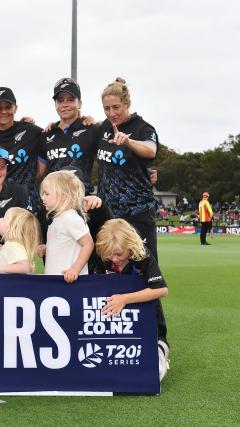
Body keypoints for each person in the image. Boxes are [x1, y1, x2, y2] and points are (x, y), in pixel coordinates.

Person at [94, 218, 170, 381]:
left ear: (130, 246)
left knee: (153, 368)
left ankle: (161, 352)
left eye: (119, 254)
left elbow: (162, 290)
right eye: (109, 254)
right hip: (117, 323)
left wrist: (124, 299)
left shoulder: (142, 255)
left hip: (149, 323)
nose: (114, 259)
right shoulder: (104, 257)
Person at [97, 77, 160, 261]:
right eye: (106, 108)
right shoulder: (104, 128)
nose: (111, 113)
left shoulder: (143, 128)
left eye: (116, 107)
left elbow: (150, 149)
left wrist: (128, 141)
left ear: (127, 103)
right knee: (111, 266)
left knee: (144, 266)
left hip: (137, 212)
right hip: (108, 213)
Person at [0, 87, 46, 215]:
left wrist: (83, 119)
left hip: (27, 205)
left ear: (15, 108)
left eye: (8, 107)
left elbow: (57, 135)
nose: (3, 111)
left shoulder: (31, 131)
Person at [41, 78, 100, 195]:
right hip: (54, 203)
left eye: (70, 100)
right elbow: (39, 173)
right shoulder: (46, 134)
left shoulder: (92, 129)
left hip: (83, 203)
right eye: (60, 100)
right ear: (55, 104)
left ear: (79, 103)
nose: (65, 105)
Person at [40, 171, 94, 283]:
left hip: (69, 283)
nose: (42, 197)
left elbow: (88, 244)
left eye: (46, 194)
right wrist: (47, 248)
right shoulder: (58, 219)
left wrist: (75, 269)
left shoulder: (71, 219)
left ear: (63, 196)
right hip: (56, 281)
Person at [0, 207, 40, 279]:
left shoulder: (12, 245)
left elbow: (24, 267)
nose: (0, 219)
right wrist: (3, 252)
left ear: (12, 227)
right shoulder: (12, 245)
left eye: (4, 218)